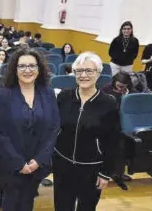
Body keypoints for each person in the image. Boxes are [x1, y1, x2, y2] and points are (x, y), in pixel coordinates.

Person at [0, 48, 59, 211]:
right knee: (10, 203)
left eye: (32, 66)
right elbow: (0, 133)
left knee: (27, 204)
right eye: (22, 66)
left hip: (37, 164)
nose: (27, 70)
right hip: (10, 165)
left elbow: (54, 129)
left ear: (39, 69)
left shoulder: (48, 94)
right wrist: (19, 163)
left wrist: (38, 160)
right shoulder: (3, 95)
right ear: (15, 69)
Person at [53, 52, 120, 211]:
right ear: (74, 73)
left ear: (98, 74)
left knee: (86, 208)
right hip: (62, 165)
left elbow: (113, 141)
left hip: (92, 168)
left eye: (89, 71)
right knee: (62, 206)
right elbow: (53, 128)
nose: (84, 75)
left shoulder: (108, 103)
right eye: (79, 71)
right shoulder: (64, 97)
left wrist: (105, 173)